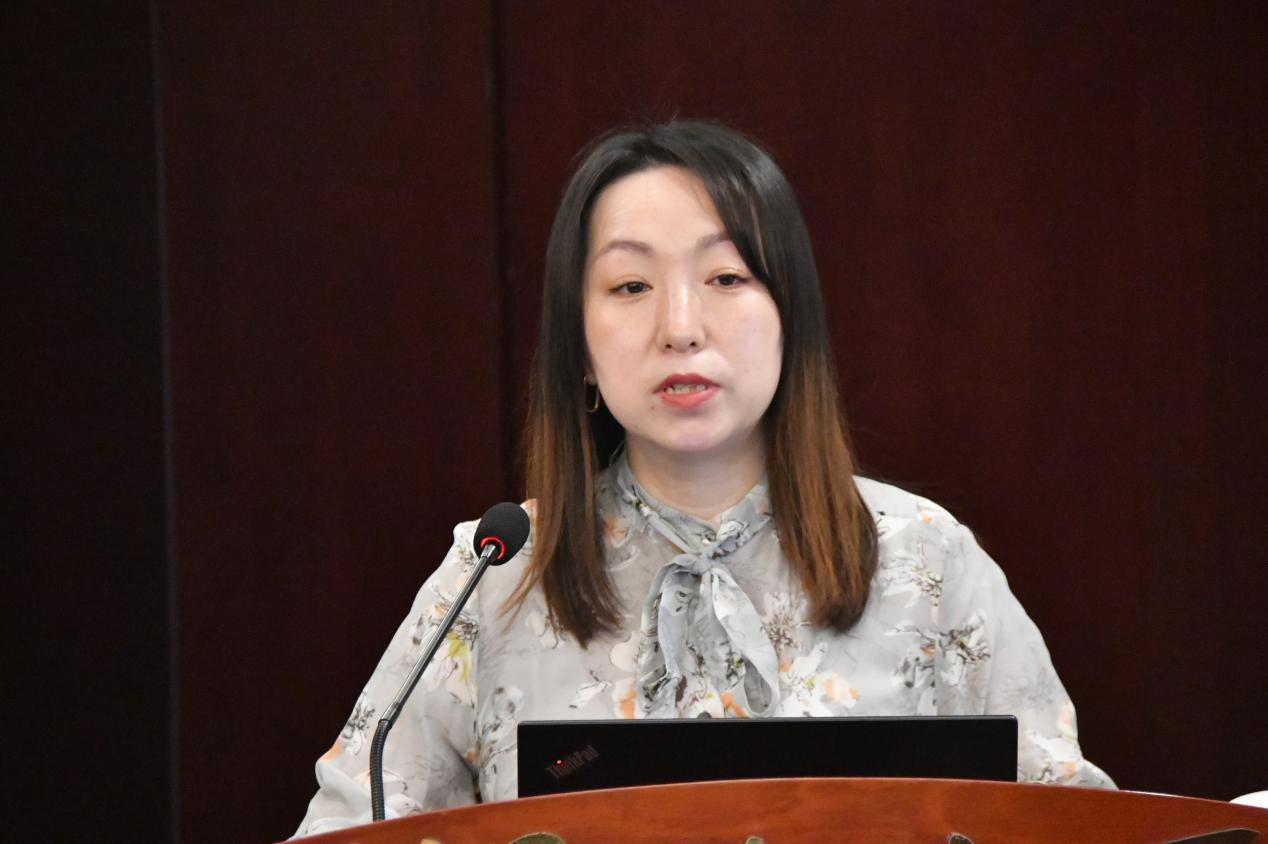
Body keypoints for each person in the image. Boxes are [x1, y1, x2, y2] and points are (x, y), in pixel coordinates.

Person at [293, 120, 1113, 836]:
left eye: (726, 278)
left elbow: (1077, 829)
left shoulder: (925, 560)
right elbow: (348, 829)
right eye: (630, 286)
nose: (680, 327)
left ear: (791, 316)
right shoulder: (496, 574)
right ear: (580, 346)